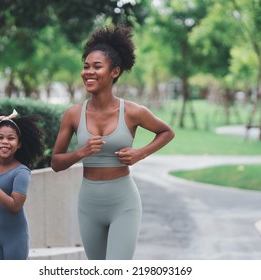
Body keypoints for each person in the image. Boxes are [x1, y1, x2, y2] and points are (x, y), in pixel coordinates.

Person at [51, 25, 175, 260]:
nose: (88, 72)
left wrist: (140, 153)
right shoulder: (73, 115)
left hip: (123, 203)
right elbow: (56, 163)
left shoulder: (132, 112)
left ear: (114, 72)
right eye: (86, 66)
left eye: (97, 67)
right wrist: (82, 152)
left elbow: (166, 132)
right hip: (88, 204)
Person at [0, 109, 44, 260]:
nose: (5, 142)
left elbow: (14, 206)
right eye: (0, 137)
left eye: (11, 138)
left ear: (19, 144)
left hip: (15, 238)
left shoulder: (21, 172)